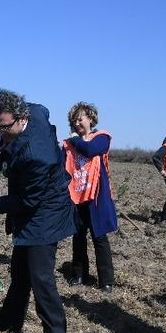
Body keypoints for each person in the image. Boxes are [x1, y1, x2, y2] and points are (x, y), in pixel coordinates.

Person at [0, 89, 77, 333]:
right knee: (19, 271)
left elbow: (27, 200)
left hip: (45, 212)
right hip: (32, 205)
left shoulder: (36, 155)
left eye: (4, 127)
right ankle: (9, 322)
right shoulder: (35, 111)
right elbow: (44, 112)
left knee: (40, 275)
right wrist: (6, 148)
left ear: (20, 118)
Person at [62, 102, 117, 293]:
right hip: (76, 196)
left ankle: (106, 281)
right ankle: (79, 275)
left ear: (91, 119)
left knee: (99, 237)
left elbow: (90, 150)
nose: (77, 122)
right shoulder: (68, 146)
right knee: (78, 237)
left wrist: (74, 140)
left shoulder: (102, 137)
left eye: (81, 118)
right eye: (74, 120)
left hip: (96, 197)